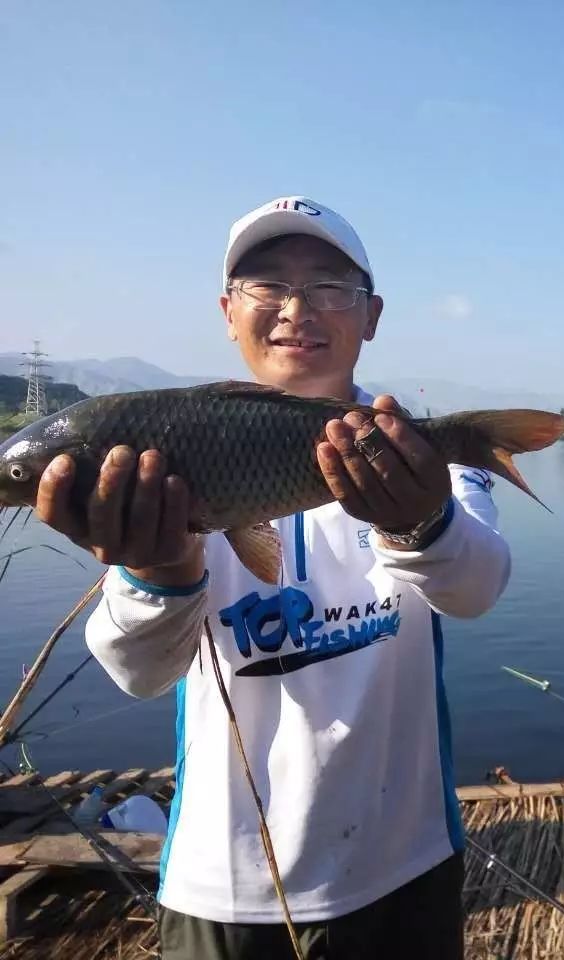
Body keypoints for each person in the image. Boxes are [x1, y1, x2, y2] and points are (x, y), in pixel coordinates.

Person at [35, 196, 511, 958]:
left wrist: (418, 519)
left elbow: (476, 588)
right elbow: (139, 671)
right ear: (229, 312)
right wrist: (161, 565)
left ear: (372, 314)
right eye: (267, 287)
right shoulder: (170, 453)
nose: (297, 310)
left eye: (329, 286)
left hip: (406, 863)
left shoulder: (419, 454)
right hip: (220, 887)